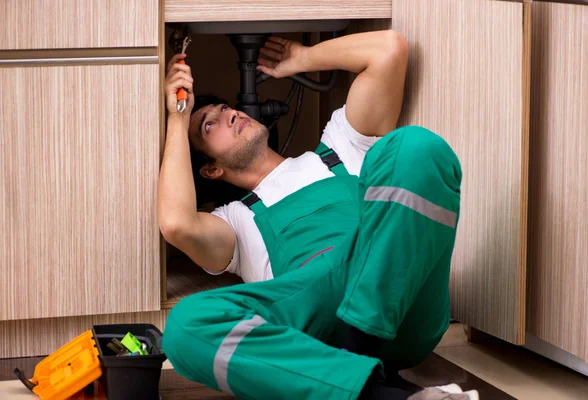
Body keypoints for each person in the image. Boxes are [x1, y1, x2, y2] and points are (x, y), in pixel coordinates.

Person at [158, 30, 463, 400]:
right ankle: (377, 393)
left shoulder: (339, 147)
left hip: (402, 307)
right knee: (184, 326)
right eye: (210, 124)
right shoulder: (236, 220)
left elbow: (388, 50)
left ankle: (356, 351)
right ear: (211, 170)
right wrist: (178, 118)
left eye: (226, 109)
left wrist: (302, 57)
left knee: (417, 145)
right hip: (320, 328)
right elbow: (176, 223)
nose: (231, 114)